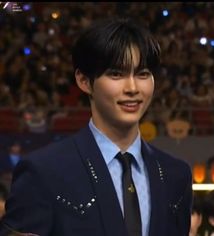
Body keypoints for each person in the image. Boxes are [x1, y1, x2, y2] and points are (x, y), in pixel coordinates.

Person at [0, 17, 192, 236]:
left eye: (142, 74)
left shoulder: (176, 174)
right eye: (116, 74)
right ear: (84, 81)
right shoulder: (43, 172)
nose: (132, 88)